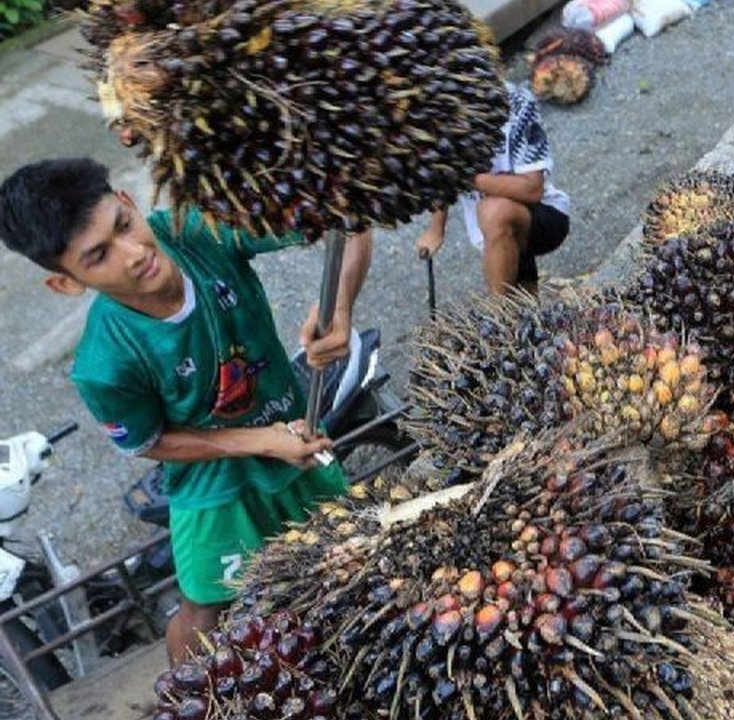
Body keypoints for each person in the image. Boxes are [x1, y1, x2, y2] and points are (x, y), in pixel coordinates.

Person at [0, 158, 373, 663]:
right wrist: (260, 440)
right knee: (204, 613)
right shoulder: (102, 364)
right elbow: (147, 442)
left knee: (355, 553)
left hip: (303, 443)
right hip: (211, 490)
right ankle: (184, 701)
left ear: (129, 203)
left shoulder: (200, 231)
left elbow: (346, 222)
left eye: (124, 226)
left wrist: (342, 308)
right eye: (99, 256)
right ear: (66, 282)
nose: (133, 255)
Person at [415, 81, 570, 295]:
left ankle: (498, 316)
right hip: (495, 231)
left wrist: (465, 178)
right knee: (524, 307)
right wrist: (436, 229)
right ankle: (525, 310)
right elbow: (442, 169)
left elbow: (532, 189)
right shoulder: (441, 110)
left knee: (494, 210)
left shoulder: (516, 101)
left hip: (543, 214)